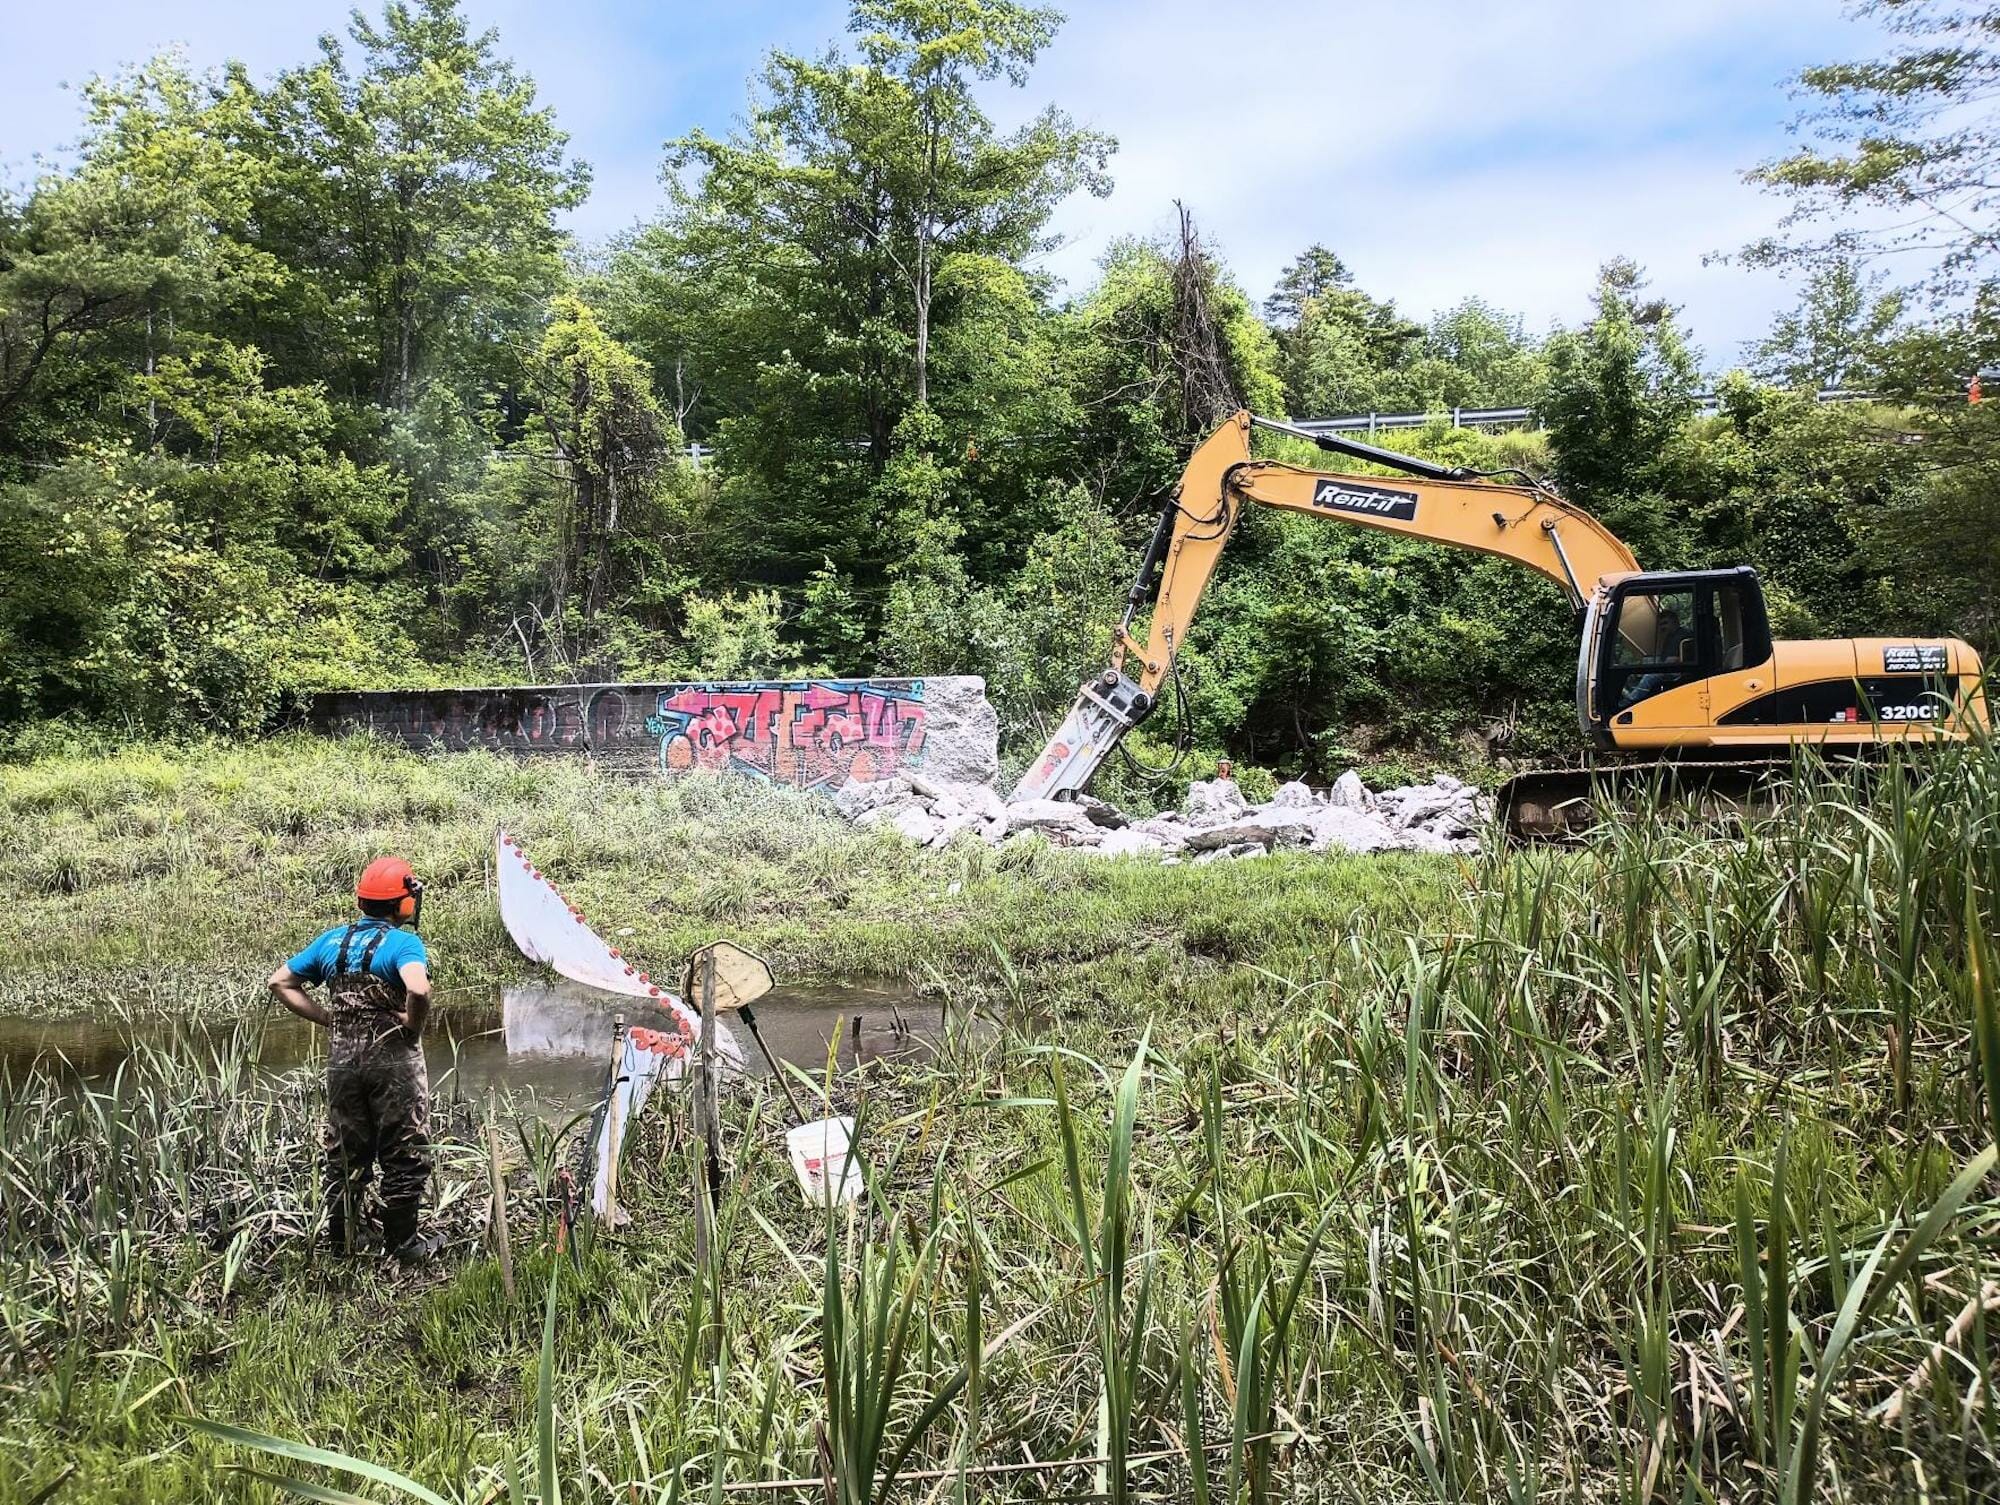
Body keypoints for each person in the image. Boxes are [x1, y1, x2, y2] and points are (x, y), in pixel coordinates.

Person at [268, 856, 437, 1260]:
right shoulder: (403, 944)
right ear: (403, 903)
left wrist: (329, 1018)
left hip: (342, 1062)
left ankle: (344, 1240)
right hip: (392, 1062)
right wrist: (412, 1026)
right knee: (405, 1147)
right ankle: (404, 1244)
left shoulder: (331, 942)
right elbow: (419, 990)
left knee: (346, 1150)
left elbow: (280, 982)